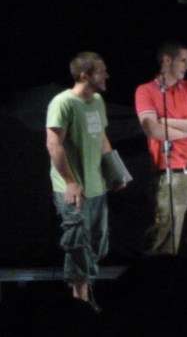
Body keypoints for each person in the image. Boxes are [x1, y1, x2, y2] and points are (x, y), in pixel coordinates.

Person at [46, 52, 126, 308]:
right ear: (84, 76)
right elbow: (53, 144)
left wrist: (115, 172)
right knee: (79, 245)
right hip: (72, 190)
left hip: (96, 186)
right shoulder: (63, 103)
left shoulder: (98, 101)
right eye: (101, 72)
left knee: (97, 245)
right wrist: (70, 181)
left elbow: (102, 137)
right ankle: (80, 302)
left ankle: (83, 293)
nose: (106, 76)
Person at [134, 41, 187, 272]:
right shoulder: (146, 90)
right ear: (167, 61)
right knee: (165, 241)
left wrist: (168, 122)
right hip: (171, 173)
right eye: (183, 60)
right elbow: (153, 130)